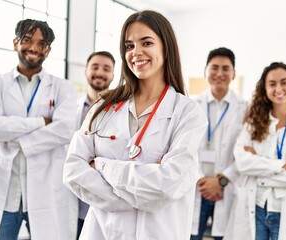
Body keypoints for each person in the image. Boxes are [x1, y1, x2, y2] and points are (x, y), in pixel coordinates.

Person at [63, 10, 208, 240]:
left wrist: (101, 166)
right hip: (101, 232)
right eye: (129, 46)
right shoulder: (103, 106)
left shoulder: (188, 113)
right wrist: (142, 193)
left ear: (166, 47)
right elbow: (72, 171)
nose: (136, 52)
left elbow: (165, 185)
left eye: (146, 42)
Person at [0, 19, 78, 239]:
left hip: (46, 190)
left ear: (48, 50)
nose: (34, 48)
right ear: (15, 43)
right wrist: (40, 122)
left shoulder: (62, 88)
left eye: (41, 43)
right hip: (5, 194)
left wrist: (14, 138)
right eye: (27, 40)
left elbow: (65, 130)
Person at [224, 62, 286, 240]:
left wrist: (258, 169)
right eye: (272, 84)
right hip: (255, 207)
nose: (278, 88)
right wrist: (284, 165)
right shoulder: (252, 125)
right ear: (265, 90)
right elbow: (242, 163)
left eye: (284, 82)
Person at [191, 47, 247, 240]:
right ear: (205, 71)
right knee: (190, 235)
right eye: (214, 68)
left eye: (226, 68)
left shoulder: (245, 109)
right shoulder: (192, 105)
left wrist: (220, 182)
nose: (219, 73)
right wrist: (201, 180)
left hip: (227, 188)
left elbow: (247, 154)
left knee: (225, 236)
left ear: (234, 73)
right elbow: (182, 148)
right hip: (196, 187)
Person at [76, 51, 115, 238]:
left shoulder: (118, 110)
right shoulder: (71, 109)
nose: (100, 72)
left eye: (106, 68)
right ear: (86, 72)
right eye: (95, 67)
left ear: (113, 75)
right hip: (71, 198)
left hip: (102, 194)